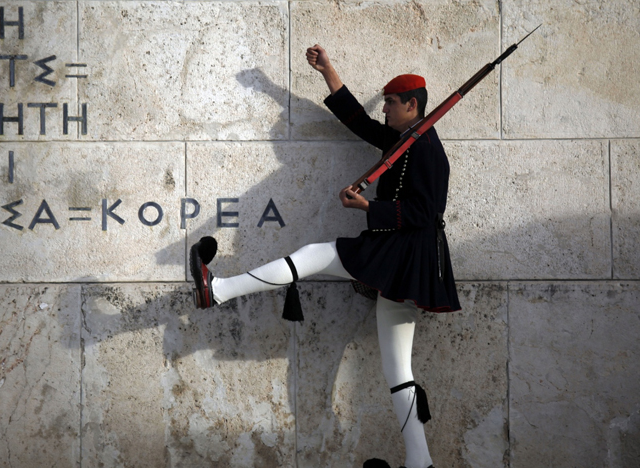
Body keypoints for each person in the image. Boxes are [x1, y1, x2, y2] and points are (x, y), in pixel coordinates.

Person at [189, 44, 461, 468]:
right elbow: (357, 121)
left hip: (405, 256)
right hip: (404, 263)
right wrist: (328, 72)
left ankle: (218, 290)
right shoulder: (405, 138)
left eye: (391, 102)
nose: (385, 109)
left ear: (412, 105)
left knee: (318, 254)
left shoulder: (427, 149)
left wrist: (369, 208)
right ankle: (420, 461)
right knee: (397, 368)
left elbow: (428, 213)